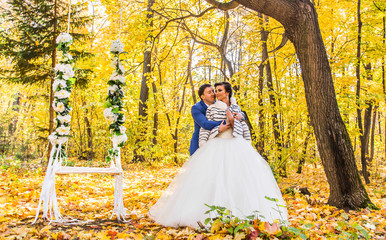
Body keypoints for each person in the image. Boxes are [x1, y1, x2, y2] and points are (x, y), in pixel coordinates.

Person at [149, 82, 288, 228]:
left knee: (239, 178)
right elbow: (205, 126)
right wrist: (220, 128)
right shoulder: (203, 108)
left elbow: (243, 125)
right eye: (212, 91)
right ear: (203, 96)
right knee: (208, 180)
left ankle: (243, 214)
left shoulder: (235, 107)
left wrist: (238, 122)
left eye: (218, 90)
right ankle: (204, 213)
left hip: (236, 145)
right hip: (214, 144)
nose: (215, 93)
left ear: (227, 92)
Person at [189, 84, 230, 155]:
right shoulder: (196, 108)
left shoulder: (219, 103)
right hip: (200, 144)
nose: (213, 94)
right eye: (209, 92)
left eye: (213, 91)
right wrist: (226, 122)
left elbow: (234, 110)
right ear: (202, 97)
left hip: (217, 143)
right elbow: (205, 124)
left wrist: (240, 116)